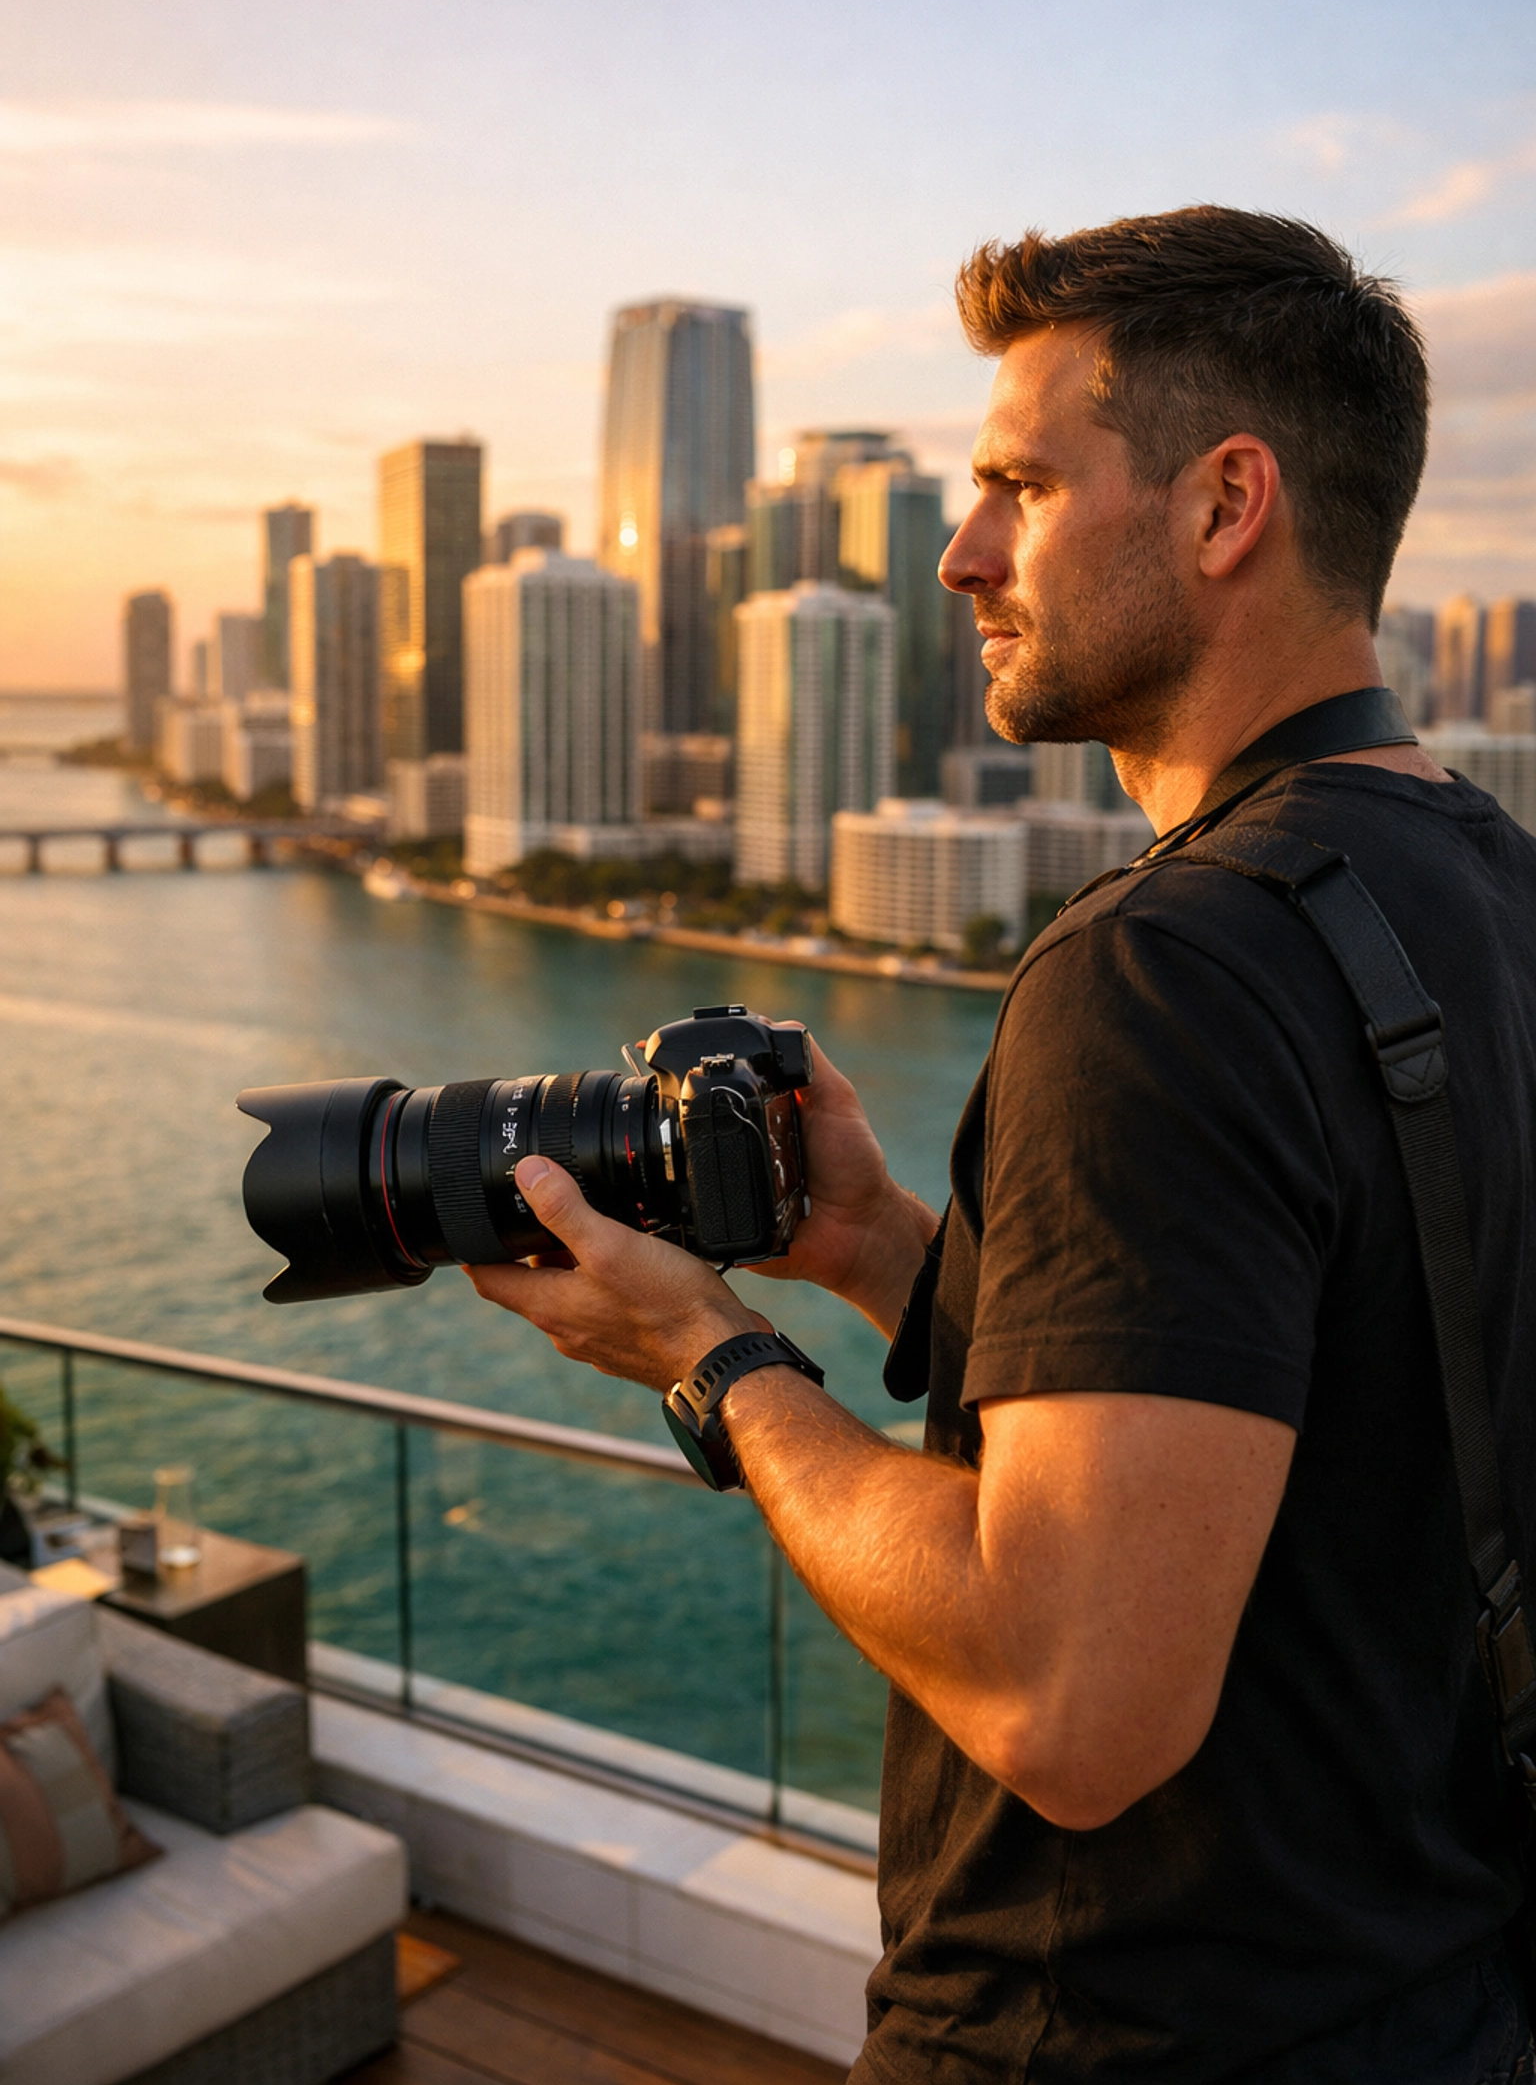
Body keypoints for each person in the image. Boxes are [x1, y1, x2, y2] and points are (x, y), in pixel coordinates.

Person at [469, 207, 1536, 2084]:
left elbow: (1071, 1695)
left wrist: (711, 1358)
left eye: (1020, 486)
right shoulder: (1499, 895)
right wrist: (886, 1245)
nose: (960, 556)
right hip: (1441, 2001)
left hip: (1115, 2031)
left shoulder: (1167, 967)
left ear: (1227, 507)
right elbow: (1361, 1379)